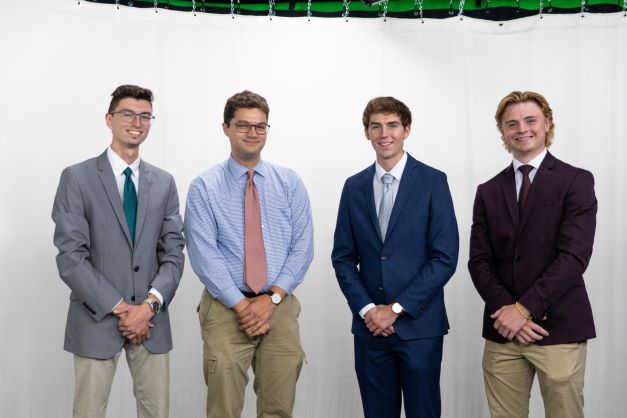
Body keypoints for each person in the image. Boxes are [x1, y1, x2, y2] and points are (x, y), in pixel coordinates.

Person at [52, 84, 185, 418]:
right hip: (95, 318)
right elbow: (71, 257)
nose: (136, 122)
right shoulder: (77, 178)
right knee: (89, 413)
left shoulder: (165, 182)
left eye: (145, 116)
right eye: (127, 114)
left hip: (151, 321)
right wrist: (124, 308)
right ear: (109, 119)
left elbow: (173, 252)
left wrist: (149, 305)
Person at [185, 90, 314, 418]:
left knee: (278, 409)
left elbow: (302, 247)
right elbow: (204, 254)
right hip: (227, 310)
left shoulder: (290, 183)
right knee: (223, 410)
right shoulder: (204, 187)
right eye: (243, 125)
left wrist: (270, 300)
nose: (253, 133)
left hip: (278, 307)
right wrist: (244, 306)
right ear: (226, 128)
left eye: (260, 126)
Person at [468, 91, 597, 418]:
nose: (521, 129)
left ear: (547, 123)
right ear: (502, 131)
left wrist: (523, 310)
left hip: (558, 328)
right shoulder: (488, 190)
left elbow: (573, 257)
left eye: (530, 120)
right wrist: (506, 311)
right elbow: (479, 261)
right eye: (511, 123)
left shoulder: (576, 181)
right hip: (503, 332)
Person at [331, 96, 459, 418]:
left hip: (419, 327)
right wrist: (369, 310)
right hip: (370, 328)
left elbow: (444, 257)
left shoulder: (433, 181)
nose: (384, 133)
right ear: (366, 132)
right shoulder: (353, 187)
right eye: (376, 126)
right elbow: (343, 258)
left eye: (392, 125)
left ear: (406, 130)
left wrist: (397, 310)